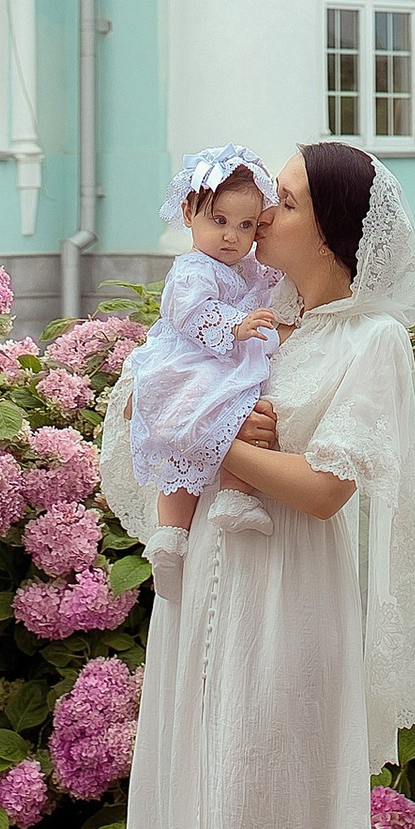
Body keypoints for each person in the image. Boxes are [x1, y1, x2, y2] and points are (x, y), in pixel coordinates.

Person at [101, 141, 415, 829]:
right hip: (209, 583)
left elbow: (327, 489)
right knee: (206, 802)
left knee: (269, 809)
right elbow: (143, 407)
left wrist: (221, 443)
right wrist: (188, 418)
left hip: (294, 596)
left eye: (282, 202)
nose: (259, 215)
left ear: (330, 230)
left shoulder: (369, 341)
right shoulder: (243, 310)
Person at [126, 148, 289, 584]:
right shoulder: (192, 269)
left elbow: (271, 278)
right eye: (219, 220)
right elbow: (190, 311)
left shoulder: (246, 266)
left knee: (243, 416)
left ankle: (234, 497)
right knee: (183, 444)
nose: (231, 236)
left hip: (226, 364)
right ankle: (170, 534)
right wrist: (235, 324)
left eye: (246, 225)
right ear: (188, 213)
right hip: (191, 367)